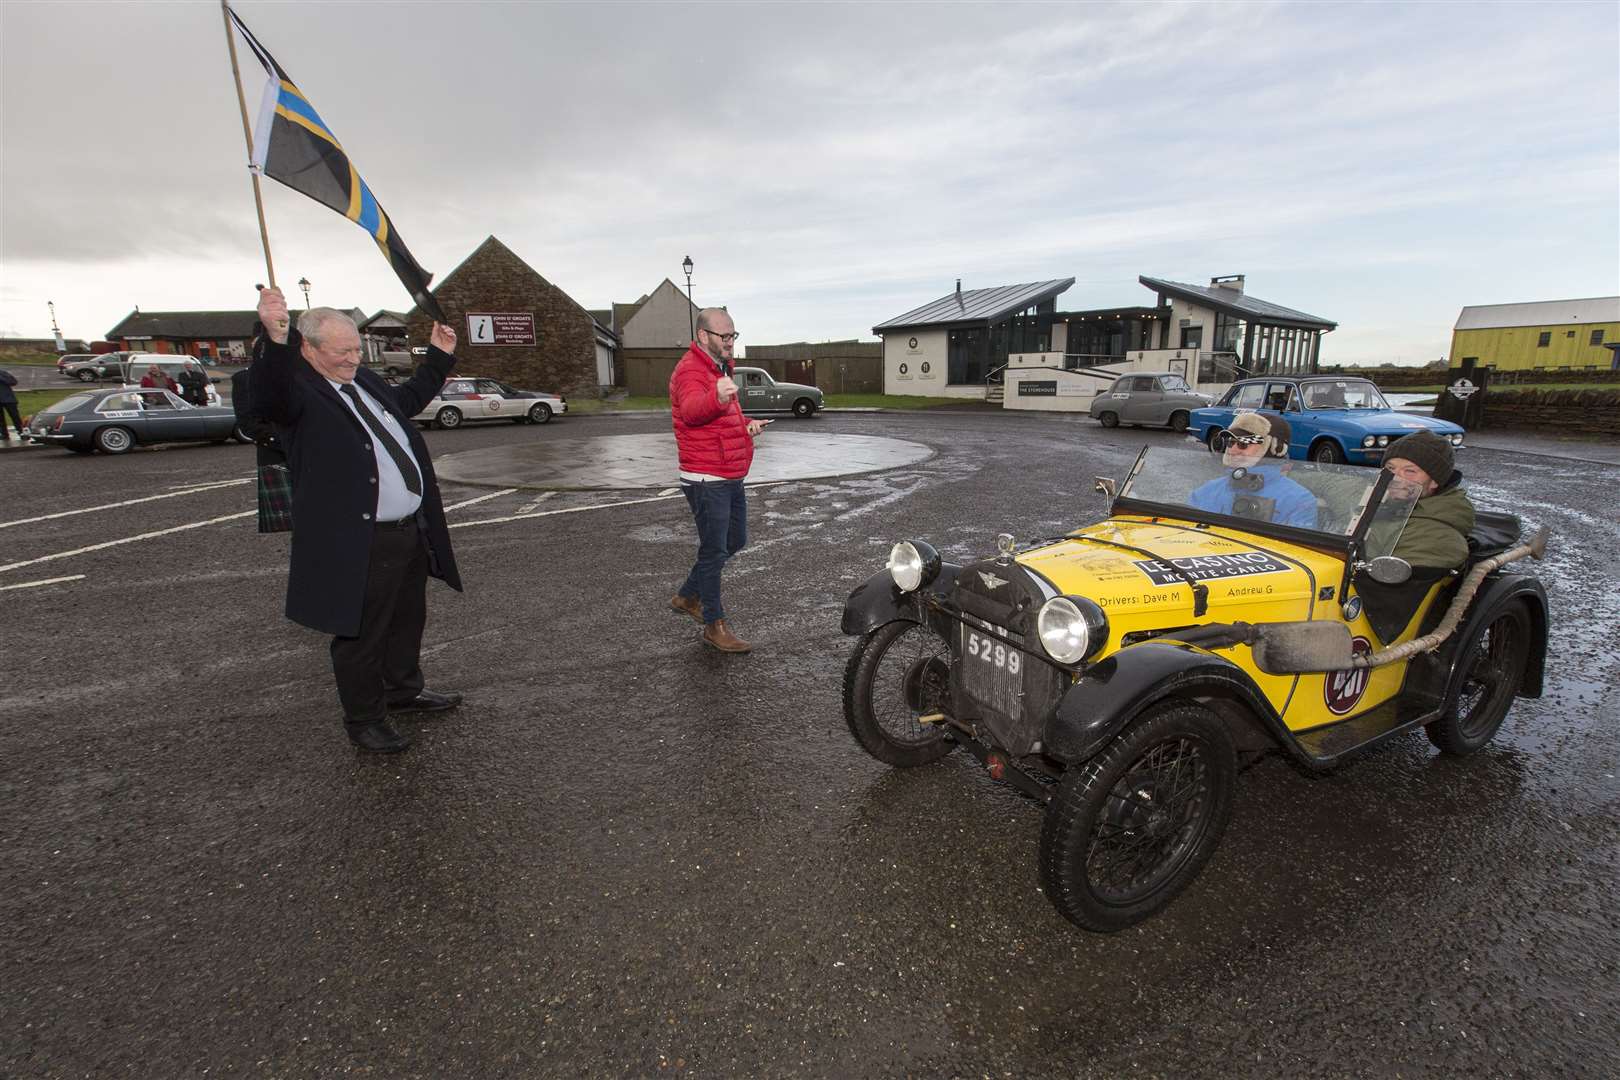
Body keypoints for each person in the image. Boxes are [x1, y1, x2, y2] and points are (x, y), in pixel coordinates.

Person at [249, 286, 465, 753]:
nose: (352, 359)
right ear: (308, 348)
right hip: (358, 537)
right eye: (342, 351)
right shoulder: (296, 395)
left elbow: (406, 402)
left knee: (407, 619)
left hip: (408, 530)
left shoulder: (362, 382)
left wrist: (440, 358)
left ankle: (402, 692)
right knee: (361, 633)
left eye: (355, 349)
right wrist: (272, 334)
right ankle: (364, 719)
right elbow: (265, 394)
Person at [668, 306, 769, 653]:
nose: (730, 342)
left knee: (735, 540)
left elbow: (721, 418)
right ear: (703, 336)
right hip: (705, 477)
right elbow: (693, 410)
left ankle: (686, 595)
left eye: (733, 335)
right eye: (724, 336)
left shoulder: (720, 367)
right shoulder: (690, 371)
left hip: (727, 472)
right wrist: (716, 396)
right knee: (714, 550)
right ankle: (714, 623)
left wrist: (746, 426)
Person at [1189, 412, 1316, 527]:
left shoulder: (1298, 500)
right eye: (1230, 443)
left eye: (1243, 444)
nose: (1233, 450)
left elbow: (1294, 550)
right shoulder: (1207, 490)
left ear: (1275, 448)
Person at [1382, 430, 1475, 569]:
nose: (1394, 478)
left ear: (1434, 481)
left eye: (1410, 471)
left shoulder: (1438, 534)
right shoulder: (1376, 502)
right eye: (1390, 468)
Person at [0, 367, 22, 443]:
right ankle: (4, 434)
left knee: (15, 417)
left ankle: (21, 432)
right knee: (1, 420)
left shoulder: (2, 372)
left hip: (9, 399)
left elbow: (14, 382)